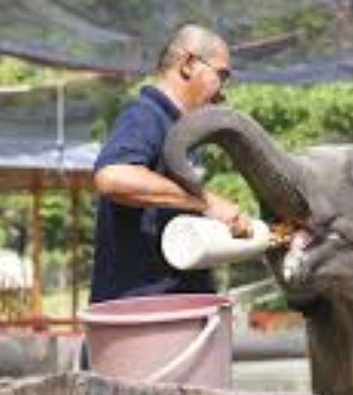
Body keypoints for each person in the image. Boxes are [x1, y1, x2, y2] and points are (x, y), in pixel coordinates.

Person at [90, 24, 251, 304]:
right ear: (189, 64)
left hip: (175, 309)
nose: (223, 92)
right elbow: (112, 177)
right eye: (221, 75)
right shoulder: (146, 115)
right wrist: (207, 202)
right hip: (142, 315)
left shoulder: (182, 131)